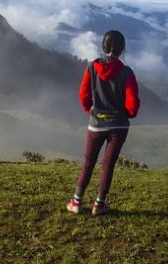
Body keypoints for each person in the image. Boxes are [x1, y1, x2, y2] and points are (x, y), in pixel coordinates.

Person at [66, 30, 140, 216]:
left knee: (89, 162)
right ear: (122, 48)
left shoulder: (92, 67)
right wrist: (128, 114)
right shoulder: (126, 72)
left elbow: (84, 96)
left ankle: (76, 202)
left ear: (103, 46)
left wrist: (90, 110)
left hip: (96, 123)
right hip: (119, 126)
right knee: (108, 164)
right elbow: (132, 103)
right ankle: (99, 204)